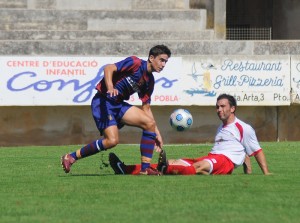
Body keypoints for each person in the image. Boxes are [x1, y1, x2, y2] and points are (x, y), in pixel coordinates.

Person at [61, 45, 171, 175]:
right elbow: (109, 68)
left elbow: (146, 108)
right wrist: (110, 87)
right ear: (151, 58)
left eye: (166, 62)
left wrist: (155, 133)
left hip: (118, 105)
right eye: (161, 60)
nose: (163, 64)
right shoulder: (135, 62)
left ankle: (145, 169)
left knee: (149, 124)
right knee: (112, 141)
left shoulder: (149, 81)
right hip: (103, 101)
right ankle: (71, 157)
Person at [109, 93, 271, 175]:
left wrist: (266, 173)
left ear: (232, 108)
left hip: (224, 162)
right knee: (175, 161)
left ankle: (165, 170)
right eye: (217, 107)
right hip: (212, 157)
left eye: (222, 106)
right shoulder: (221, 128)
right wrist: (247, 172)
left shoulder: (243, 127)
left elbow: (256, 151)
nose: (219, 110)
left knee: (197, 167)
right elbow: (244, 151)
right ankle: (126, 169)